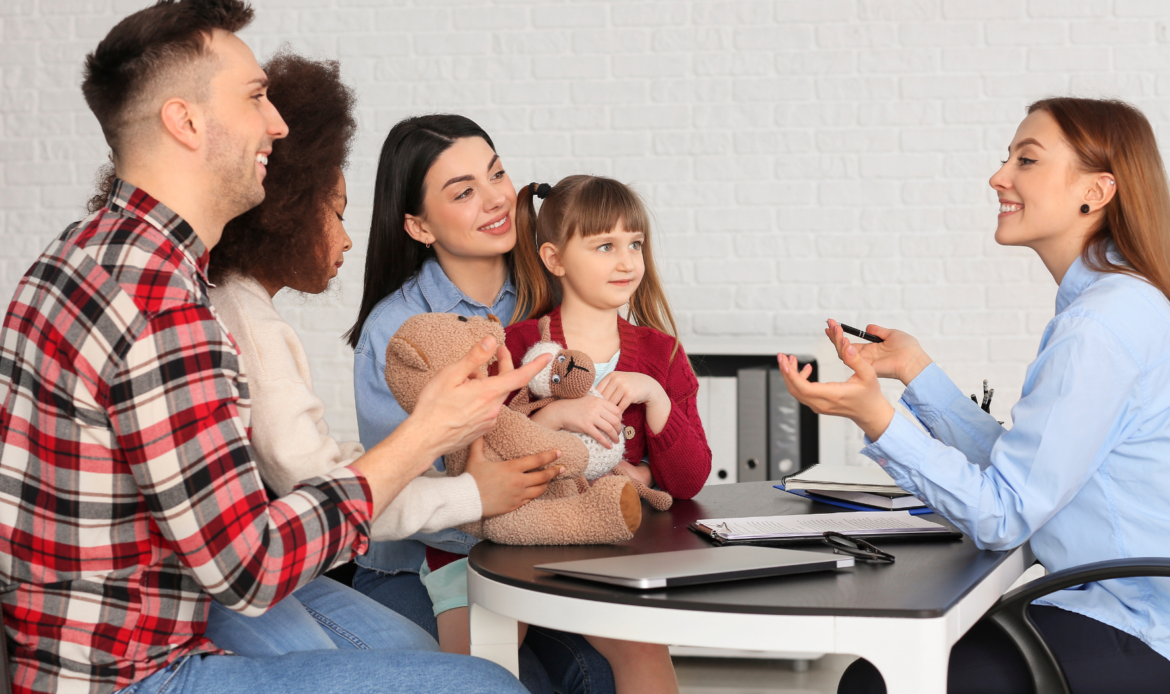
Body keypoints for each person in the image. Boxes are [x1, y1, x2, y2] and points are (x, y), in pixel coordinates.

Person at [0, 2, 548, 693]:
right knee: (486, 687)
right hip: (129, 674)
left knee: (424, 654)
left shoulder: (83, 254)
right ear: (187, 121)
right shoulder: (160, 305)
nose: (278, 124)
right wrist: (431, 430)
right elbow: (250, 568)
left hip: (115, 626)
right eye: (255, 97)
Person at [779, 98, 1170, 694]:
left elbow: (1004, 515)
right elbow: (1029, 469)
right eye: (1007, 156)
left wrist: (880, 419)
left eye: (1027, 159)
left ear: (1097, 190)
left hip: (1136, 623)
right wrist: (916, 372)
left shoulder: (1097, 329)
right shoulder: (1117, 305)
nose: (999, 176)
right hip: (1125, 605)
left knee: (873, 684)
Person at [347, 114, 617, 694]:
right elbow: (421, 489)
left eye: (497, 174)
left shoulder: (554, 291)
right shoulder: (397, 331)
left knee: (602, 675)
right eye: (463, 192)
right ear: (419, 226)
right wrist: (547, 421)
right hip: (421, 563)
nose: (496, 199)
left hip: (541, 547)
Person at [487, 174, 712, 693]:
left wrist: (654, 395)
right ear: (554, 258)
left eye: (635, 244)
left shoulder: (663, 355)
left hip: (618, 551)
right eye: (605, 245)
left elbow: (690, 480)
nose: (627, 261)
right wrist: (553, 419)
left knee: (642, 647)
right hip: (523, 546)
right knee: (492, 645)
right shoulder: (517, 344)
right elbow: (488, 454)